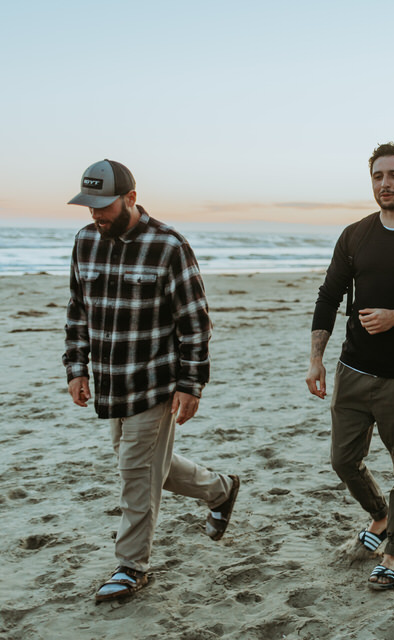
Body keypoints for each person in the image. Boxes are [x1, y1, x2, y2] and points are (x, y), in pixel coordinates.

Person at [63, 159, 239, 603]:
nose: (96, 215)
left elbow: (195, 324)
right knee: (145, 467)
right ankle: (220, 490)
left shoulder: (169, 246)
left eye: (104, 206)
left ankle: (131, 566)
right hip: (109, 384)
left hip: (154, 383)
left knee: (135, 475)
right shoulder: (85, 241)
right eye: (90, 206)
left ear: (131, 198)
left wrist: (190, 384)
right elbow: (77, 310)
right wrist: (76, 367)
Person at [306, 143, 394, 589]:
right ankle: (380, 516)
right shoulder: (355, 235)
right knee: (344, 460)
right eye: (378, 175)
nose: (385, 183)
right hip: (353, 370)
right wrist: (316, 360)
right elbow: (329, 297)